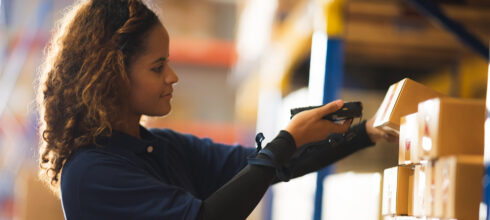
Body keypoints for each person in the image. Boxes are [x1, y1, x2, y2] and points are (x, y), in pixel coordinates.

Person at [37, 0, 396, 219]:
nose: (172, 76)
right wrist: (286, 141)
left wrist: (361, 134)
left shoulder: (160, 148)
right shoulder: (90, 174)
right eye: (157, 66)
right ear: (112, 74)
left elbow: (267, 165)